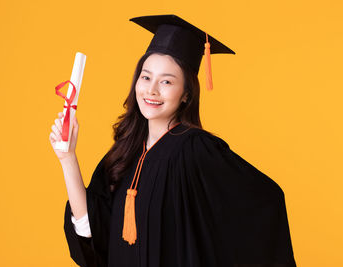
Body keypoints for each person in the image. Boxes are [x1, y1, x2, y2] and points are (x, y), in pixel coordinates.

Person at [49, 14, 297, 267]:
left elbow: (265, 201)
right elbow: (91, 230)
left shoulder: (195, 149)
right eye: (146, 77)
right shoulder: (127, 152)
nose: (152, 90)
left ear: (186, 94)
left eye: (166, 81)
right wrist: (68, 158)